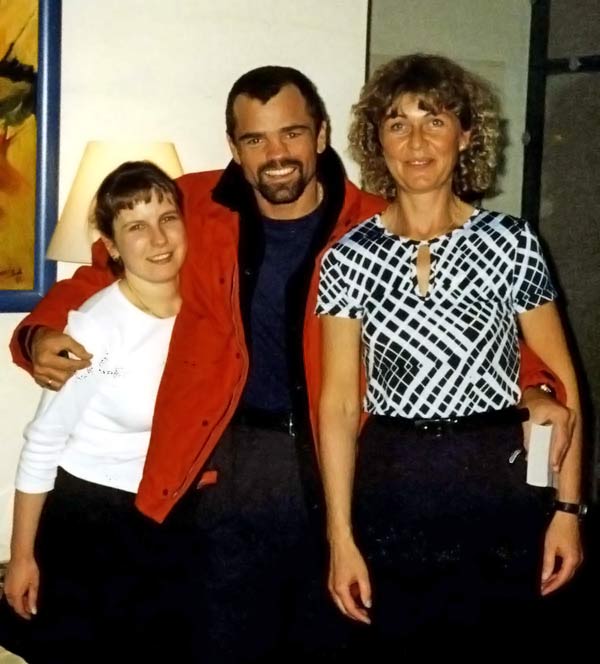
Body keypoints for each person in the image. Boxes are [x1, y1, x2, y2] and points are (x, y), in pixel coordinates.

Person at [9, 66, 572, 663]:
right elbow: (103, 270)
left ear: (321, 134)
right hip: (229, 462)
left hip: (344, 457)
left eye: (292, 133)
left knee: (330, 633)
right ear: (234, 148)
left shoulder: (375, 226)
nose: (275, 154)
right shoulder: (193, 205)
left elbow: (470, 324)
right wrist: (39, 333)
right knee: (225, 637)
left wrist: (534, 385)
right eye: (255, 139)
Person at [316, 53, 584, 657]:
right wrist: (340, 536)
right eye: (398, 123)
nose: (416, 142)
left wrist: (568, 510)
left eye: (434, 121)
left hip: (495, 478)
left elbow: (564, 383)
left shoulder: (512, 243)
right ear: (377, 141)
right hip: (392, 480)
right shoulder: (347, 256)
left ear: (465, 136)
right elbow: (338, 406)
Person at [2, 161, 187, 664]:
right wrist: (22, 557)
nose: (158, 238)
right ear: (111, 246)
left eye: (167, 218)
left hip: (166, 522)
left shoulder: (205, 311)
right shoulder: (94, 328)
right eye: (136, 226)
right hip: (89, 527)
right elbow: (42, 442)